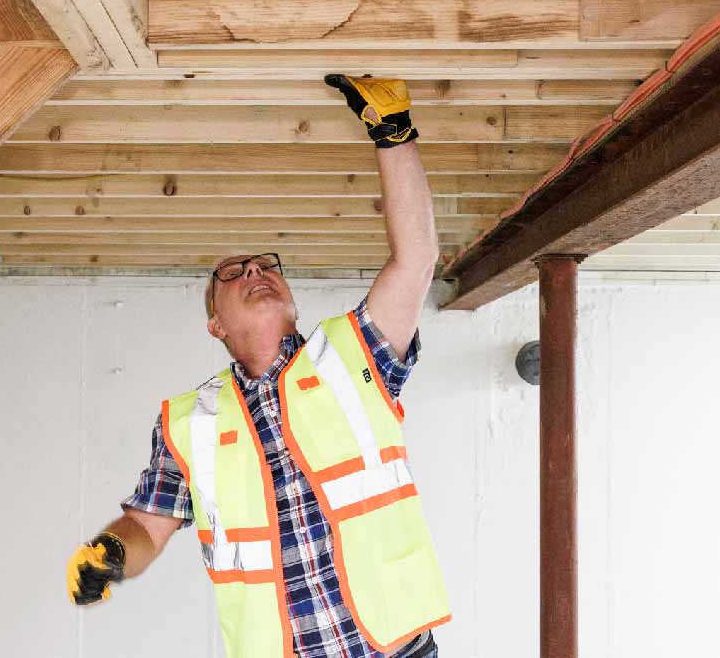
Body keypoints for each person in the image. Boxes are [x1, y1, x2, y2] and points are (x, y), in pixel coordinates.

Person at [65, 75, 450, 658]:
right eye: (232, 272)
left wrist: (393, 133)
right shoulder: (188, 423)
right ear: (214, 325)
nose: (252, 271)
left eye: (264, 265)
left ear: (291, 299)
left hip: (394, 648)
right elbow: (147, 526)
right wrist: (109, 554)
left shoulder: (355, 354)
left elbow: (417, 257)